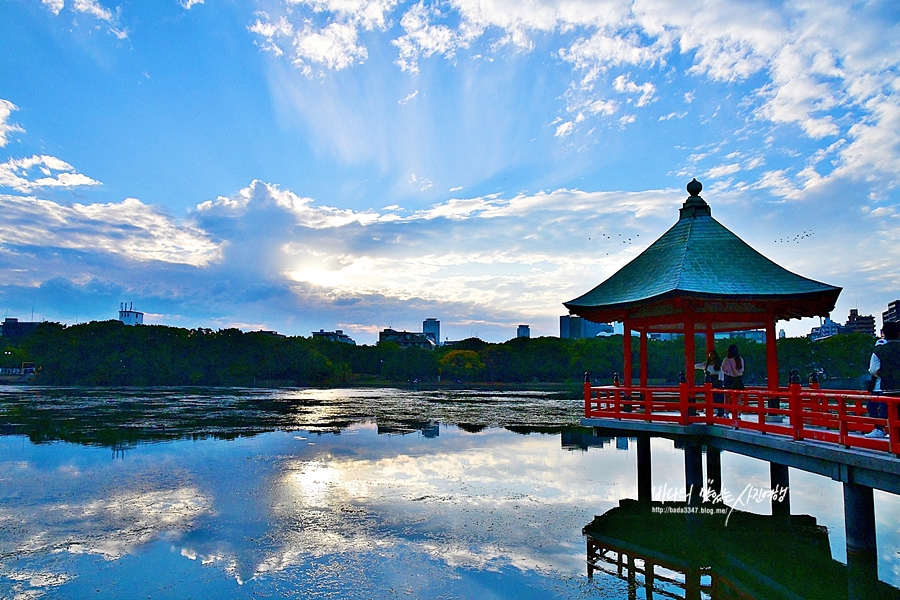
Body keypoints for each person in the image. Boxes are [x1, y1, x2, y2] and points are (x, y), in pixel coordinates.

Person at [866, 322, 900, 438]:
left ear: (884, 334)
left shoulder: (879, 350)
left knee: (886, 411)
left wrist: (886, 373)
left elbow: (873, 369)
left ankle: (881, 430)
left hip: (888, 388)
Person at [695, 349, 725, 416]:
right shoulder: (706, 364)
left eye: (712, 355)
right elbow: (697, 366)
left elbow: (723, 371)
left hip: (717, 380)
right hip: (709, 380)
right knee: (711, 396)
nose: (711, 356)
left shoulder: (719, 363)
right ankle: (712, 410)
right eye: (710, 355)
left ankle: (720, 411)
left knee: (718, 396)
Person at [721, 345, 744, 417]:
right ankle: (738, 415)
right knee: (738, 399)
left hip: (729, 379)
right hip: (738, 379)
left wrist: (729, 371)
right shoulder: (740, 359)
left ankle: (726, 414)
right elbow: (742, 370)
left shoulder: (726, 359)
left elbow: (723, 369)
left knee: (727, 398)